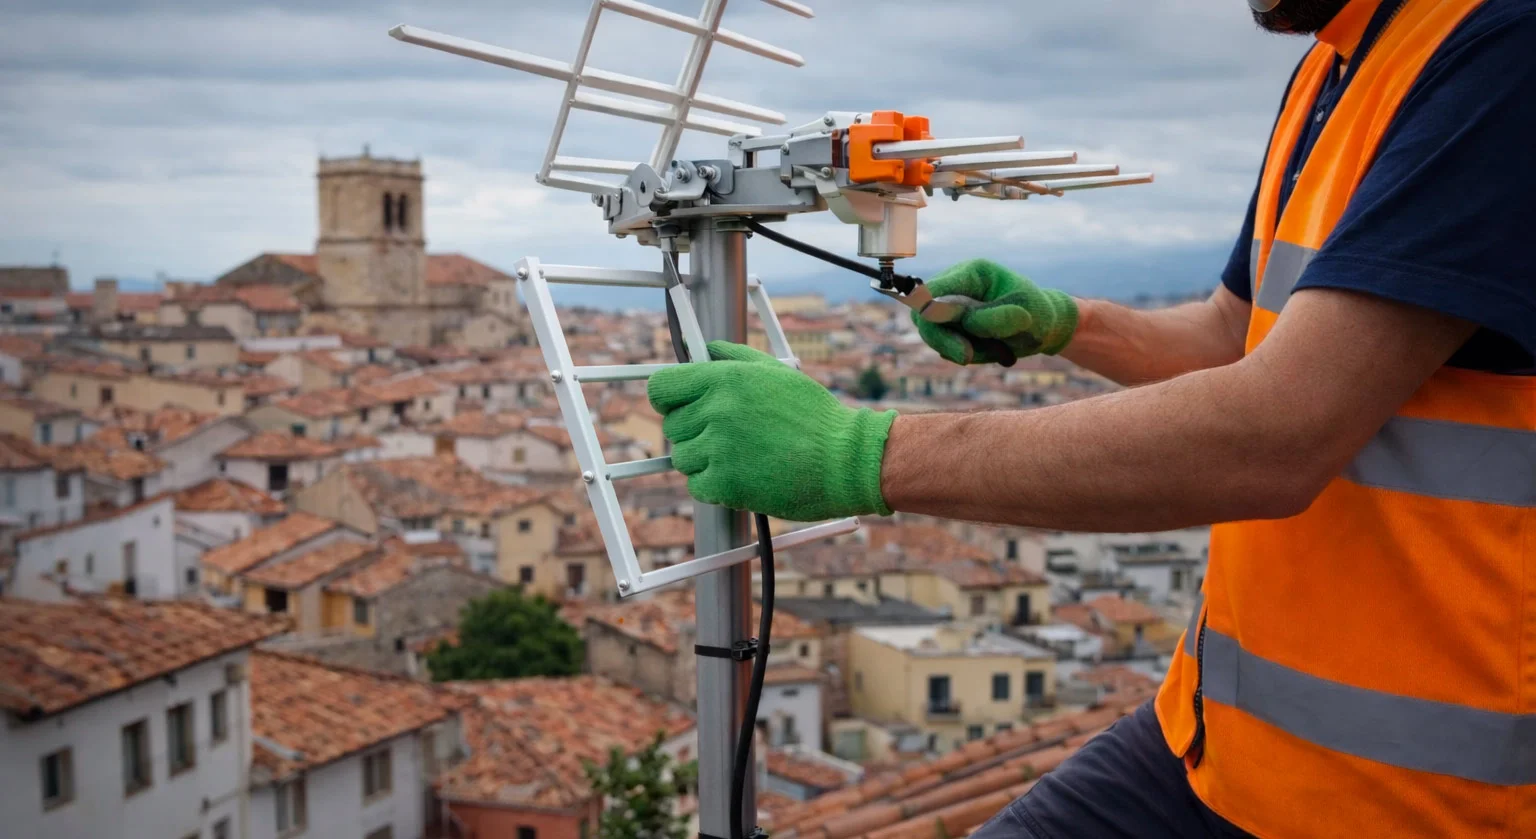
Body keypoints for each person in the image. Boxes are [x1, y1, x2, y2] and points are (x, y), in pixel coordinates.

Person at [645, 0, 1536, 836]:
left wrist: (857, 451)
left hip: (1417, 807)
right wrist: (1068, 322)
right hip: (1213, 746)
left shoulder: (1503, 48)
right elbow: (1236, 334)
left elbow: (1280, 431)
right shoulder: (1338, 66)